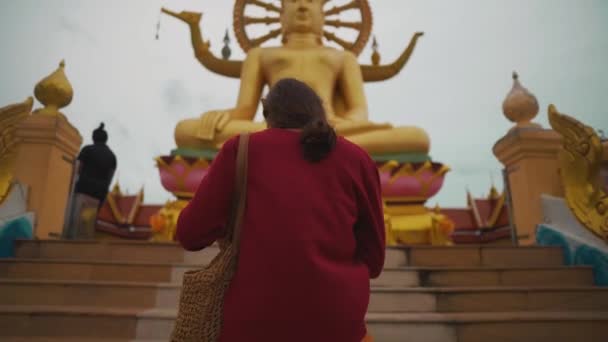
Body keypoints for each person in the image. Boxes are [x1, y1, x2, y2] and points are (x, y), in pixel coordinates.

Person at [176, 78, 385, 342]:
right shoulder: (358, 158)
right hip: (338, 322)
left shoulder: (240, 149)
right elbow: (374, 261)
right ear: (319, 113)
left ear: (267, 115)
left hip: (252, 321)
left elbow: (190, 235)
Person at [74, 123, 117, 205]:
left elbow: (78, 168)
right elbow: (110, 178)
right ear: (106, 139)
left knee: (76, 215)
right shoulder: (112, 156)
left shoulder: (87, 150)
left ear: (93, 138)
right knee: (88, 217)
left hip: (84, 188)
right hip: (100, 193)